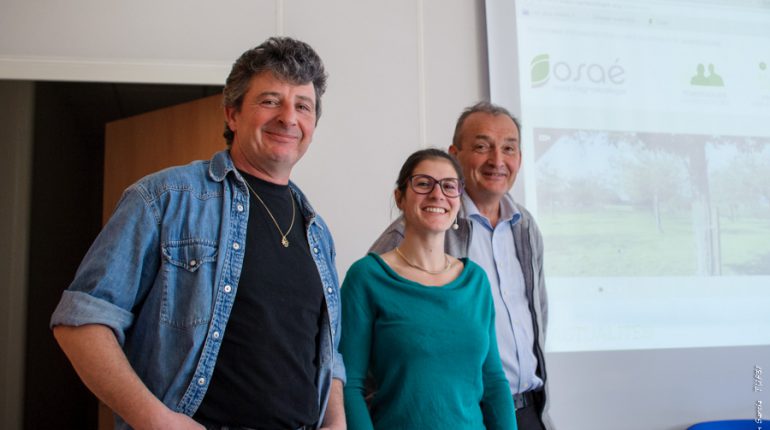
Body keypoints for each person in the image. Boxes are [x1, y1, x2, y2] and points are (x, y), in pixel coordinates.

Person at [50, 37, 345, 430]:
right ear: (232, 115)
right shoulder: (164, 198)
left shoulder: (317, 233)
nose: (289, 118)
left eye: (302, 106)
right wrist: (157, 421)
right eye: (271, 100)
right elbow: (81, 322)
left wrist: (335, 422)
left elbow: (328, 356)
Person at [371, 102, 552, 430]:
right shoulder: (410, 232)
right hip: (461, 414)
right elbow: (372, 344)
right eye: (482, 147)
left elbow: (538, 314)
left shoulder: (526, 226)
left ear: (520, 159)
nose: (497, 160)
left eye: (508, 148)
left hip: (528, 410)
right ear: (455, 155)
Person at [341, 148, 517, 429]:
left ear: (458, 201)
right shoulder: (367, 277)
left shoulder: (475, 281)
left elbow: (494, 382)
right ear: (400, 197)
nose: (438, 195)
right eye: (423, 184)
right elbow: (349, 384)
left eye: (449, 186)